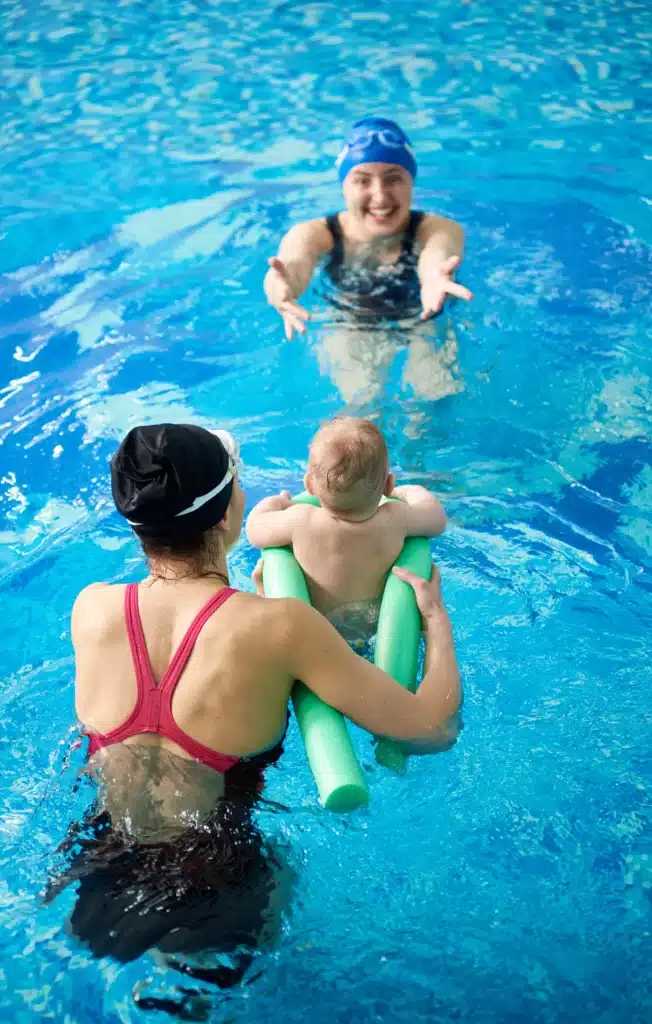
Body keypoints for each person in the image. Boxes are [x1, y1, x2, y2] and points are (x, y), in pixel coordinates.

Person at [49, 422, 461, 1000]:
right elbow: (433, 728)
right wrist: (436, 621)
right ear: (225, 514)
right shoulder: (281, 627)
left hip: (97, 869)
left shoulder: (90, 609)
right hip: (217, 884)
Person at [264, 116, 473, 404]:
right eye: (362, 180)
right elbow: (293, 264)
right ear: (344, 186)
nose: (380, 196)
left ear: (411, 181)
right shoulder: (316, 233)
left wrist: (435, 277)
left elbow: (438, 253)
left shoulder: (438, 228)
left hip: (425, 317)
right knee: (361, 402)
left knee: (433, 398)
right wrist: (282, 286)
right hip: (351, 320)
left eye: (393, 178)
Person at [245, 417, 446, 648]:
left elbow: (254, 528)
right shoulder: (395, 519)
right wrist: (411, 491)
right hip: (378, 633)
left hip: (321, 639)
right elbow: (436, 518)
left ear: (309, 486)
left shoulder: (301, 521)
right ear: (388, 485)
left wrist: (277, 501)